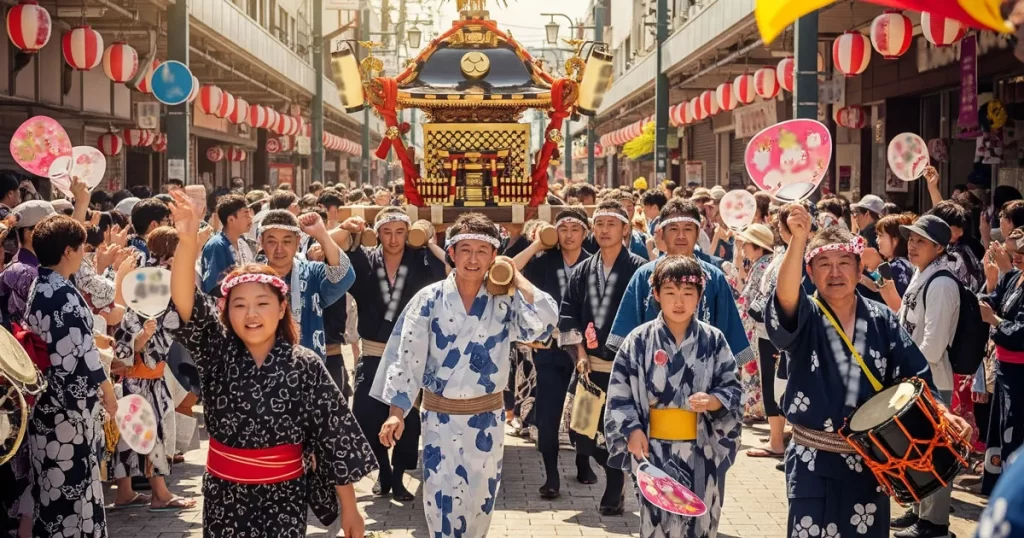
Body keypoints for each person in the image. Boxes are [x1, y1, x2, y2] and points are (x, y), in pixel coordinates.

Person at [164, 190, 375, 537]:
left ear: (281, 309)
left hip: (285, 495)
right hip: (225, 495)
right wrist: (187, 243)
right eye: (239, 305)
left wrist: (350, 508)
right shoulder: (217, 351)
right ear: (226, 313)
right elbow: (186, 305)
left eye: (262, 303)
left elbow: (333, 435)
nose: (251, 314)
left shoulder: (305, 364)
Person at [766, 205, 970, 538]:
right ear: (810, 271)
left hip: (870, 463)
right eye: (824, 265)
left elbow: (914, 376)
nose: (835, 273)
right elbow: (785, 299)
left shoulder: (881, 318)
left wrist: (943, 412)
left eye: (844, 263)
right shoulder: (806, 314)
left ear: (861, 268)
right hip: (811, 459)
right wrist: (799, 239)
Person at [373, 212, 558, 538]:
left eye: (482, 251)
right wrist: (396, 412)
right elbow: (408, 359)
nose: (473, 259)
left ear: (494, 256)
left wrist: (515, 276)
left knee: (479, 505)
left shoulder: (504, 300)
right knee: (442, 506)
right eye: (465, 250)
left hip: (487, 420)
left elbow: (544, 321)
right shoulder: (428, 301)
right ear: (452, 253)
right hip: (440, 421)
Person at [605, 256, 743, 538]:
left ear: (699, 297)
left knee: (700, 524)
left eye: (688, 294)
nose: (679, 302)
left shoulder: (713, 340)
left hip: (702, 449)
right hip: (654, 448)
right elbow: (619, 391)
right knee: (656, 524)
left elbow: (734, 387)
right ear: (655, 295)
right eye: (670, 293)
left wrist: (714, 401)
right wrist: (631, 430)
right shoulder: (639, 340)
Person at [342, 208, 447, 501]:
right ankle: (383, 471)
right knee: (364, 414)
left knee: (409, 419)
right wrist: (348, 230)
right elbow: (339, 258)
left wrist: (426, 238)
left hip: (408, 354)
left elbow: (447, 267)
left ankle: (399, 477)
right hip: (373, 351)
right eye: (387, 232)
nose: (393, 238)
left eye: (401, 231)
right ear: (377, 233)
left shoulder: (419, 259)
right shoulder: (365, 260)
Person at [26, 215, 119, 538]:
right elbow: (78, 357)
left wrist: (94, 340)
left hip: (46, 406)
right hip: (67, 408)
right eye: (82, 249)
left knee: (53, 489)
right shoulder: (61, 293)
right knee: (72, 490)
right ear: (68, 251)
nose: (85, 255)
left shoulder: (42, 285)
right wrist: (106, 390)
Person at [558, 200, 648, 515]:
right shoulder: (583, 270)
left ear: (625, 229)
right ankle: (615, 471)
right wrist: (579, 350)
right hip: (590, 368)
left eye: (612, 224)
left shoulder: (639, 269)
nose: (604, 230)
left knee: (618, 430)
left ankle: (614, 486)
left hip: (626, 370)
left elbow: (648, 317)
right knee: (581, 433)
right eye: (599, 224)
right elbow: (568, 312)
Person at [110, 227, 197, 512]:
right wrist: (141, 339)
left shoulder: (145, 277)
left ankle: (124, 492)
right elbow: (133, 326)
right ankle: (160, 493)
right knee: (152, 431)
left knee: (129, 433)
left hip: (137, 373)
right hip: (144, 374)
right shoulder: (156, 281)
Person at [608, 199, 751, 367]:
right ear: (661, 234)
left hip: (704, 376)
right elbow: (627, 338)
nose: (681, 236)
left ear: (698, 234)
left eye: (688, 229)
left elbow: (730, 337)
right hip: (651, 375)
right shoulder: (644, 276)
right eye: (674, 229)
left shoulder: (715, 278)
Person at [512, 207, 592, 498]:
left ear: (585, 232)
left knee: (585, 410)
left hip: (586, 349)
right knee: (548, 412)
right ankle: (551, 474)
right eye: (563, 229)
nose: (569, 235)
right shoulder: (544, 261)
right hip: (550, 347)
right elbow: (510, 270)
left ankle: (583, 461)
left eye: (575, 229)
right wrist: (536, 243)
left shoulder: (594, 263)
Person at [891, 215, 960, 538]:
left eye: (921, 241)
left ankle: (935, 523)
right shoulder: (923, 275)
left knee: (933, 452)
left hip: (931, 379)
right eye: (911, 239)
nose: (912, 245)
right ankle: (918, 510)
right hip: (915, 379)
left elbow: (933, 345)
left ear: (939, 247)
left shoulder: (943, 283)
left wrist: (906, 363)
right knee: (916, 450)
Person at [258, 209, 356, 359]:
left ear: (297, 242)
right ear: (261, 242)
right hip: (262, 368)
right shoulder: (252, 277)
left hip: (308, 369)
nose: (279, 249)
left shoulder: (312, 273)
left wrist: (322, 235)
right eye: (271, 241)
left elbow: (343, 276)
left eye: (286, 241)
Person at [979, 230, 1024, 496]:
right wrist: (988, 284)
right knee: (1000, 432)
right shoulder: (1014, 277)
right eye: (1014, 252)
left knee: (1015, 433)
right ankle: (1000, 490)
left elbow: (1020, 332)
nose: (1016, 257)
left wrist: (994, 321)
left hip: (1020, 373)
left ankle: (1013, 495)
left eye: (1021, 252)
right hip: (1004, 369)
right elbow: (991, 301)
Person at [0, 200, 57, 325]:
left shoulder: (28, 268)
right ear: (29, 234)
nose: (57, 234)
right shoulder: (24, 272)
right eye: (51, 228)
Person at [199, 194, 255, 295]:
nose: (250, 218)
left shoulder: (243, 243)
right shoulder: (217, 245)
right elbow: (214, 287)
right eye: (246, 215)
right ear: (231, 220)